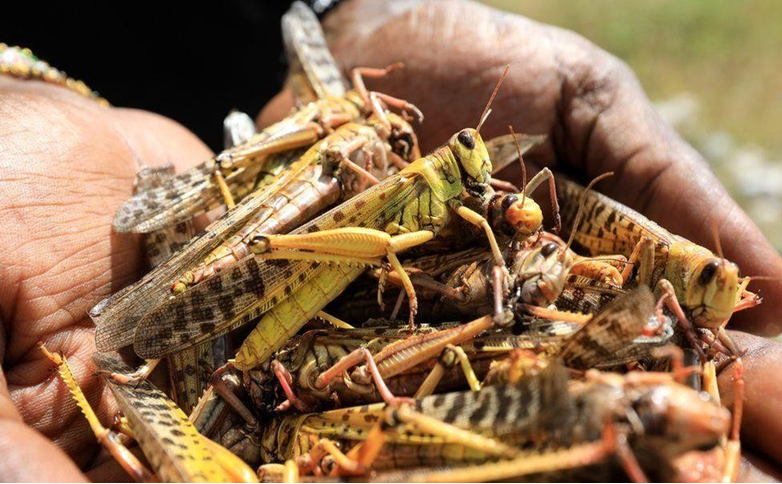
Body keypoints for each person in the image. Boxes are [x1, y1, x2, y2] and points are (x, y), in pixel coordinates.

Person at [0, 1, 780, 480]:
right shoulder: (413, 184)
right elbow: (383, 242)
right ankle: (178, 317)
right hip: (279, 269)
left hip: (334, 320)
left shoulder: (463, 197)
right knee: (292, 254)